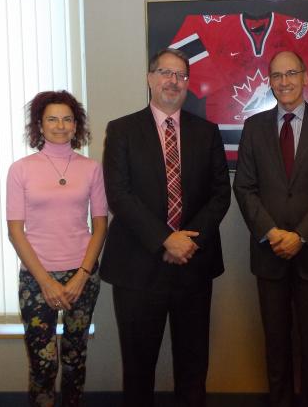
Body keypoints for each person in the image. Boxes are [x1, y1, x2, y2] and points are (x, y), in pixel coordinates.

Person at [100, 48, 231, 407]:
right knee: (139, 369)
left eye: (180, 75)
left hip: (194, 265)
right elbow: (119, 195)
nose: (172, 81)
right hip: (138, 270)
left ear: (187, 83)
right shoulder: (122, 130)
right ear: (150, 78)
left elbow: (221, 195)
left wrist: (187, 242)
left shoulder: (207, 132)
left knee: (193, 367)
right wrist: (164, 240)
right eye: (164, 72)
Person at [233, 50, 308, 407]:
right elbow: (245, 188)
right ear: (269, 81)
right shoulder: (253, 127)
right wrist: (272, 232)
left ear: (306, 77)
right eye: (277, 75)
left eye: (291, 73)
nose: (284, 82)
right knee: (276, 346)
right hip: (269, 255)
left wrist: (300, 236)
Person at [6, 90, 108, 407]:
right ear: (40, 124)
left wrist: (81, 275)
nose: (60, 125)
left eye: (67, 119)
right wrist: (47, 282)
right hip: (37, 278)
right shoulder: (20, 169)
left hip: (83, 275)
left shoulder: (91, 168)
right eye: (52, 118)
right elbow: (15, 231)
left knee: (76, 358)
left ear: (76, 126)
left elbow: (100, 225)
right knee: (43, 362)